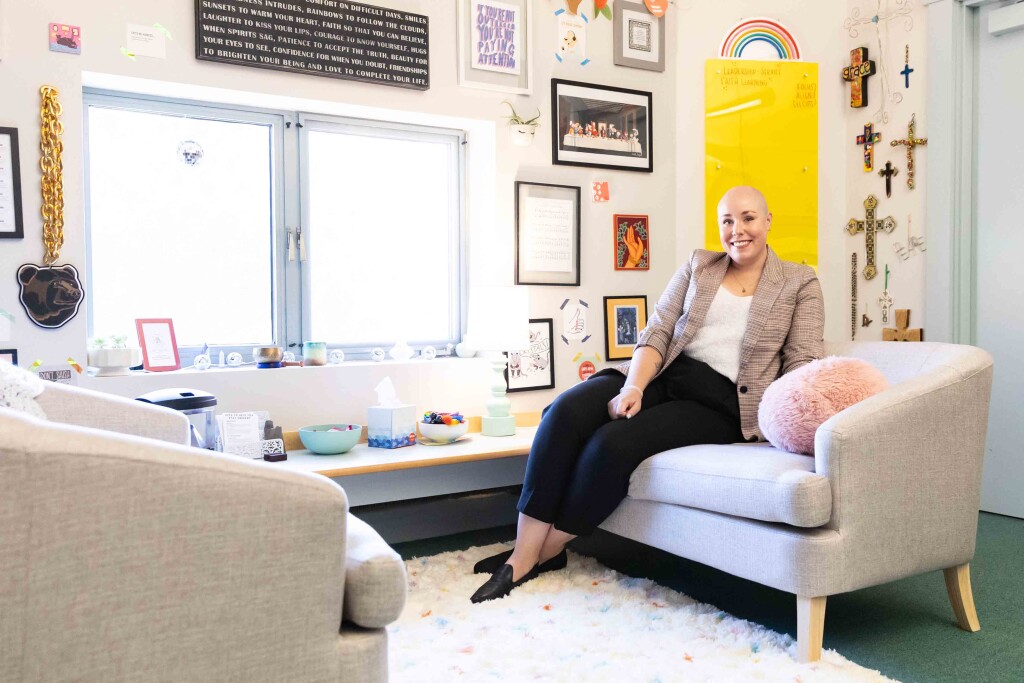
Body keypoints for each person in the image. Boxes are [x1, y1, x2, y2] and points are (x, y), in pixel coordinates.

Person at [470, 186, 825, 603]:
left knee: (612, 444)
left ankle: (545, 552)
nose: (737, 230)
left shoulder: (800, 282)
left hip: (721, 402)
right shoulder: (700, 265)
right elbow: (658, 329)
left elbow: (804, 361)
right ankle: (524, 551)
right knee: (564, 412)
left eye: (747, 218)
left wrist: (784, 422)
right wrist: (633, 386)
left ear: (767, 221)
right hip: (662, 373)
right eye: (727, 220)